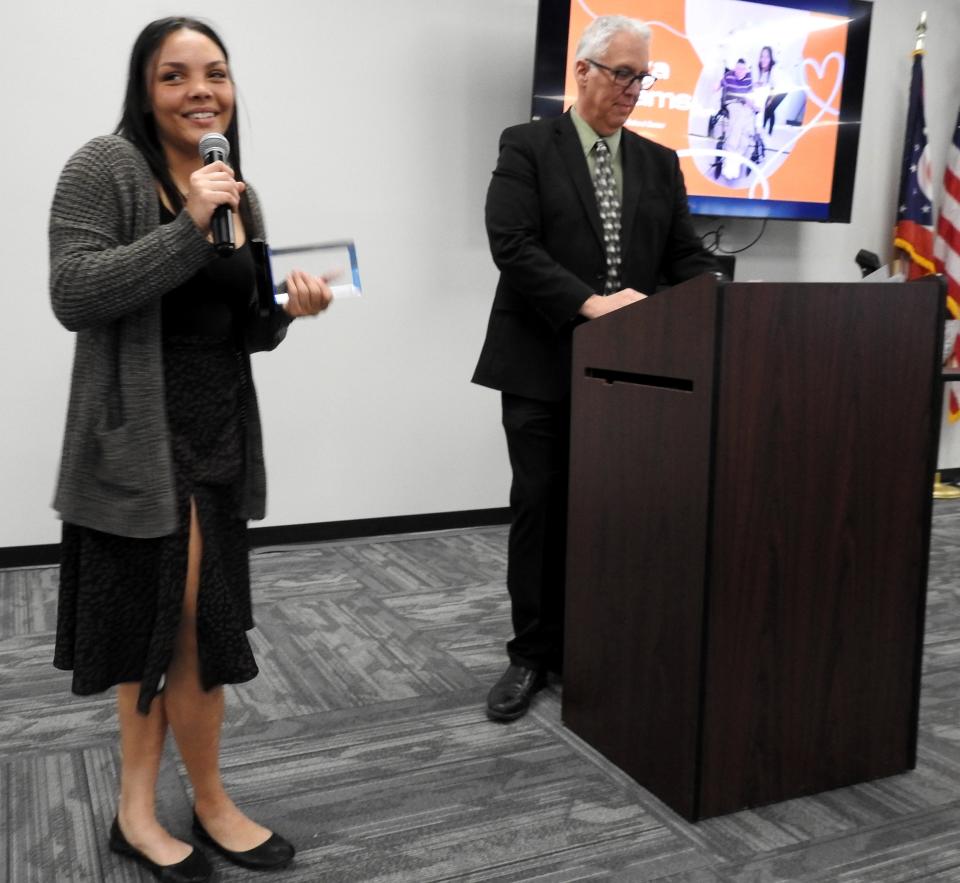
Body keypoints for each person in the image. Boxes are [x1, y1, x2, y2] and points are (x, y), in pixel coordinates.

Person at [49, 17, 332, 882]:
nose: (199, 90)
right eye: (175, 76)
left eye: (215, 73)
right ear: (145, 89)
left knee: (202, 627)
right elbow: (74, 291)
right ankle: (138, 812)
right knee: (159, 622)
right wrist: (187, 227)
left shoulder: (234, 188)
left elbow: (239, 328)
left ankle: (208, 799)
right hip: (138, 436)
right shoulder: (103, 167)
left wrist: (287, 306)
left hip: (217, 436)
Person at [472, 15, 718, 723]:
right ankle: (530, 653)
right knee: (542, 508)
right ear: (581, 71)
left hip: (632, 371)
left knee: (612, 508)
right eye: (622, 74)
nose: (634, 89)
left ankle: (593, 644)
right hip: (540, 359)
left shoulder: (657, 162)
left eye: (644, 77)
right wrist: (592, 305)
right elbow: (512, 245)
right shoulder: (526, 145)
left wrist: (712, 297)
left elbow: (684, 257)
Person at [715, 58, 758, 180]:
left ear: (746, 69)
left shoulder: (749, 77)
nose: (740, 71)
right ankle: (731, 157)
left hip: (745, 104)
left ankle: (735, 159)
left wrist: (753, 106)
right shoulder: (729, 75)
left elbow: (750, 95)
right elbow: (717, 85)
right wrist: (716, 86)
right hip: (732, 103)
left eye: (742, 69)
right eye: (738, 68)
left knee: (747, 125)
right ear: (735, 68)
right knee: (739, 118)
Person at [755, 45, 785, 135]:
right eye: (762, 56)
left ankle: (768, 132)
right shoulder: (762, 69)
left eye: (767, 57)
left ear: (771, 58)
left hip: (781, 92)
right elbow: (764, 83)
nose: (764, 59)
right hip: (771, 91)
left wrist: (770, 100)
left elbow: (774, 86)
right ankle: (765, 130)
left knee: (769, 109)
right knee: (767, 109)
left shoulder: (774, 70)